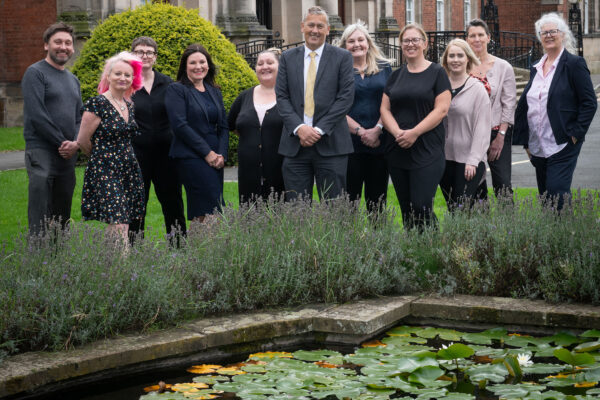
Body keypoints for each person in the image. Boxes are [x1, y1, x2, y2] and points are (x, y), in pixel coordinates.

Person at [513, 12, 597, 210]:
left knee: (557, 192)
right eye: (544, 33)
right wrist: (526, 142)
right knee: (545, 196)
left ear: (563, 34)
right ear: (539, 37)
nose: (548, 36)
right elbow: (527, 106)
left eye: (553, 31)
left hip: (563, 142)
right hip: (537, 145)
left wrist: (576, 135)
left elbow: (589, 103)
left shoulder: (574, 64)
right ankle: (552, 238)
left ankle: (564, 236)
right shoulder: (536, 67)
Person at [276, 6, 355, 201]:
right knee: (297, 211)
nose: (315, 30)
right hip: (295, 146)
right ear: (302, 26)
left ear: (328, 30)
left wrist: (318, 130)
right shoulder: (287, 58)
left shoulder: (342, 57)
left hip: (331, 145)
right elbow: (282, 97)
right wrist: (300, 128)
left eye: (320, 26)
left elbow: (345, 98)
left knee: (334, 208)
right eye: (311, 25)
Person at [380, 23, 451, 229]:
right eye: (406, 40)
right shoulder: (395, 75)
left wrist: (414, 133)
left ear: (425, 44)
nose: (410, 44)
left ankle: (434, 248)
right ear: (401, 45)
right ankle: (414, 254)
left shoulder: (437, 72)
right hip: (398, 148)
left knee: (421, 206)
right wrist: (397, 133)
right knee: (407, 210)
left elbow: (441, 110)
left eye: (415, 40)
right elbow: (384, 109)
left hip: (427, 149)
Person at [74, 51, 145, 244]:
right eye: (118, 74)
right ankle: (121, 270)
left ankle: (111, 267)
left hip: (128, 169)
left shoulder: (128, 105)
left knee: (124, 220)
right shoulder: (97, 103)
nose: (123, 78)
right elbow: (82, 140)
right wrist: (101, 157)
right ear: (108, 76)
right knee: (118, 220)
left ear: (133, 79)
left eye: (127, 75)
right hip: (105, 169)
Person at [22, 22, 82, 235]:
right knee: (40, 211)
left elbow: (79, 117)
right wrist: (62, 143)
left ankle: (57, 262)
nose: (63, 47)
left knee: (62, 213)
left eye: (68, 43)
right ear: (46, 45)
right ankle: (37, 261)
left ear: (73, 48)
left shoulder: (73, 80)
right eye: (58, 42)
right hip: (42, 151)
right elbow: (38, 115)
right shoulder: (35, 73)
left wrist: (75, 143)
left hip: (67, 156)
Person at [128, 36, 186, 242]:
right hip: (137, 155)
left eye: (149, 52)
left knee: (173, 203)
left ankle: (178, 247)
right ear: (132, 55)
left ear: (155, 57)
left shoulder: (168, 83)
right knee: (136, 205)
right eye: (139, 52)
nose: (144, 56)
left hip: (167, 155)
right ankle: (135, 251)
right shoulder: (126, 83)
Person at [165, 44, 228, 225]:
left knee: (211, 207)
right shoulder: (177, 90)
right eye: (193, 62)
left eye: (202, 62)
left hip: (216, 158)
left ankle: (203, 250)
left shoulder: (214, 91)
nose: (198, 66)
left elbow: (223, 126)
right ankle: (204, 249)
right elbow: (180, 125)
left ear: (208, 65)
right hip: (190, 156)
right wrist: (207, 153)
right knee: (207, 207)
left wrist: (221, 154)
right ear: (185, 66)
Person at [338, 21, 392, 213]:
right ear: (344, 46)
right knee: (348, 202)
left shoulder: (384, 68)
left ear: (368, 43)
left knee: (377, 203)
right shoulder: (338, 72)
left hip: (380, 144)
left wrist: (377, 130)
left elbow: (390, 103)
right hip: (348, 145)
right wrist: (362, 132)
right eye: (351, 41)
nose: (356, 44)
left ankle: (377, 242)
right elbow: (335, 108)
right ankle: (349, 242)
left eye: (361, 39)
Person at [466, 18, 517, 200]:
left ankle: (509, 225)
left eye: (481, 35)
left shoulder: (504, 67)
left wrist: (501, 136)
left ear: (488, 38)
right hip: (470, 134)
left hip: (496, 131)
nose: (477, 39)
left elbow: (509, 103)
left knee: (502, 184)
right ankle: (482, 225)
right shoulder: (461, 66)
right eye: (472, 36)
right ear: (467, 40)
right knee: (475, 184)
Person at [440, 39, 491, 211]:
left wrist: (474, 160)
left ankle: (474, 238)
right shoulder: (440, 86)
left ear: (467, 59)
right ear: (446, 59)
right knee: (452, 207)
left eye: (460, 55)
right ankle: (461, 238)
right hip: (444, 158)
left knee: (463, 208)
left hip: (468, 159)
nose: (455, 60)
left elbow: (482, 129)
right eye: (451, 56)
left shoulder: (477, 89)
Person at [228, 48, 285, 203]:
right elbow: (231, 125)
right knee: (250, 218)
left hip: (281, 171)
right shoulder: (244, 97)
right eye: (260, 64)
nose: (264, 66)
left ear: (280, 66)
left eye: (270, 62)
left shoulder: (288, 96)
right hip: (249, 172)